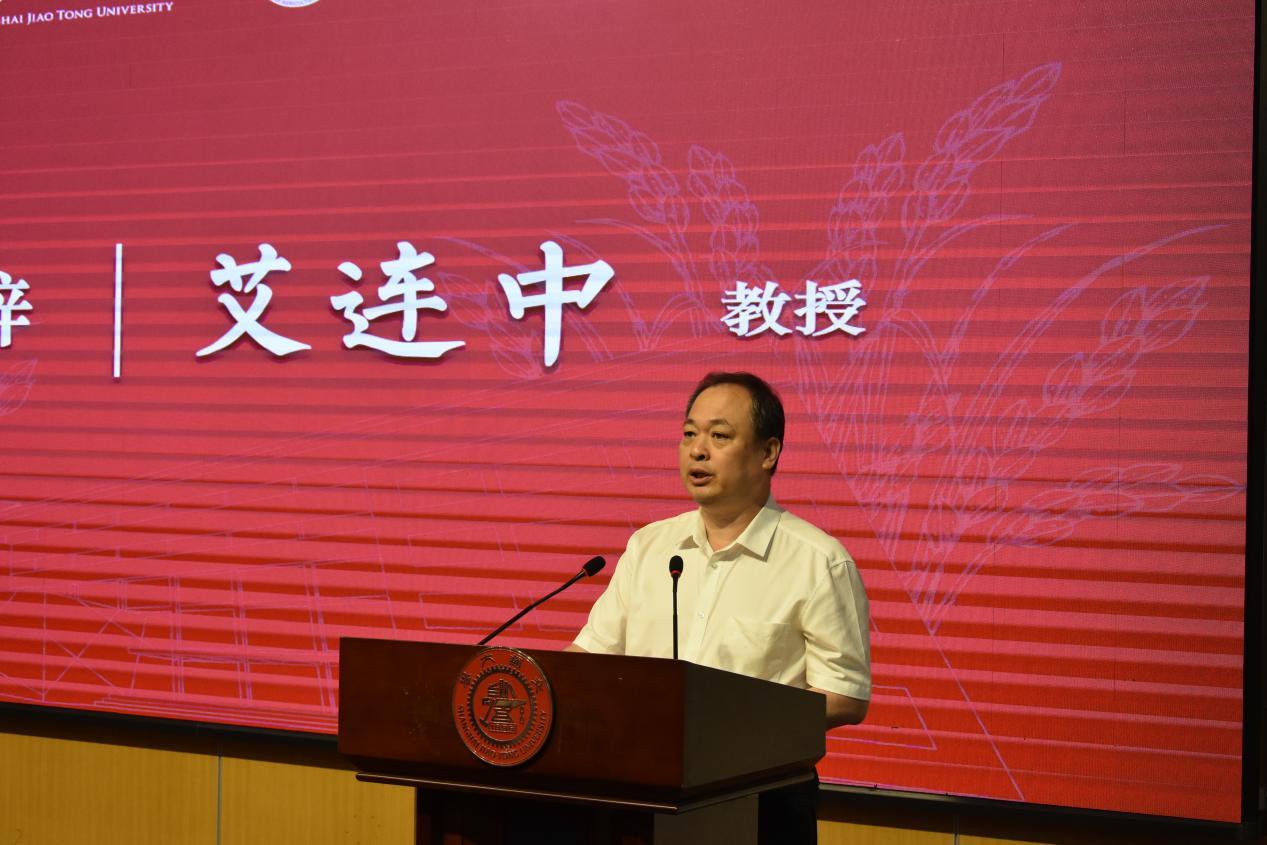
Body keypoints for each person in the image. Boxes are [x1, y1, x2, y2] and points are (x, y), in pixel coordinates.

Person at [568, 371, 870, 844]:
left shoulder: (818, 562)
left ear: (768, 452)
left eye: (719, 436)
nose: (698, 450)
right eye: (689, 434)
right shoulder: (650, 546)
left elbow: (845, 695)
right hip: (641, 791)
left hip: (761, 801)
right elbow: (591, 657)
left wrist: (729, 725)